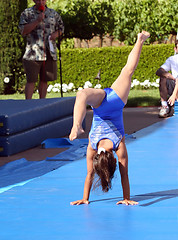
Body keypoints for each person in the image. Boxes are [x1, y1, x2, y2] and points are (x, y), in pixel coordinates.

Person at [69, 31, 150, 206]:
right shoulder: (92, 146)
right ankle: (76, 125)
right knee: (82, 93)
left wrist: (126, 198)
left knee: (128, 71)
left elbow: (124, 175)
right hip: (102, 103)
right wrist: (85, 198)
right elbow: (90, 174)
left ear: (113, 159)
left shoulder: (119, 147)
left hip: (114, 101)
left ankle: (140, 39)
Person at [19, 0, 64, 99]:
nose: (41, 2)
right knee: (31, 80)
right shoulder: (27, 13)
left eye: (43, 0)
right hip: (33, 53)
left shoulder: (53, 13)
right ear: (34, 0)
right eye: (38, 0)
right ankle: (28, 104)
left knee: (44, 79)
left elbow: (61, 28)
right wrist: (37, 21)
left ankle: (42, 102)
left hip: (49, 52)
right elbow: (23, 31)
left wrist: (56, 34)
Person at [156, 40, 178, 117]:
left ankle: (175, 103)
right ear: (175, 49)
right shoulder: (172, 59)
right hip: (174, 84)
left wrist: (174, 94)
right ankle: (165, 106)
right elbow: (159, 71)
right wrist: (170, 76)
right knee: (163, 77)